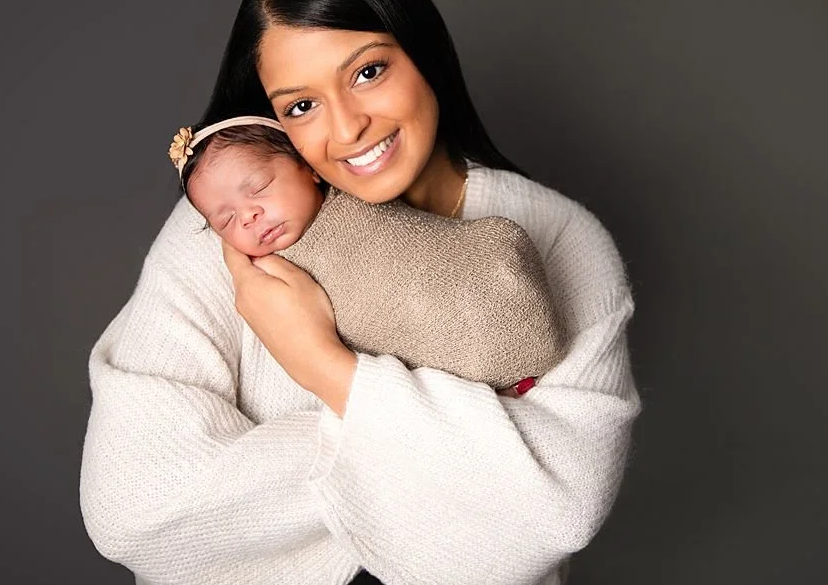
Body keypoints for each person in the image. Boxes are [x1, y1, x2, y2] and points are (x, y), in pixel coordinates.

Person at [79, 0, 640, 585]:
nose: (347, 128)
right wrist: (460, 476)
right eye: (301, 106)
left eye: (368, 71)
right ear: (274, 122)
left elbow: (558, 515)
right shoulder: (234, 228)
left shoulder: (563, 241)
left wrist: (325, 368)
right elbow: (133, 507)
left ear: (421, 52)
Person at [172, 116, 563, 391]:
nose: (249, 216)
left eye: (258, 187)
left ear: (306, 166)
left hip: (486, 266)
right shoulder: (267, 281)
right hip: (457, 369)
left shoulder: (354, 183)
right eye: (224, 220)